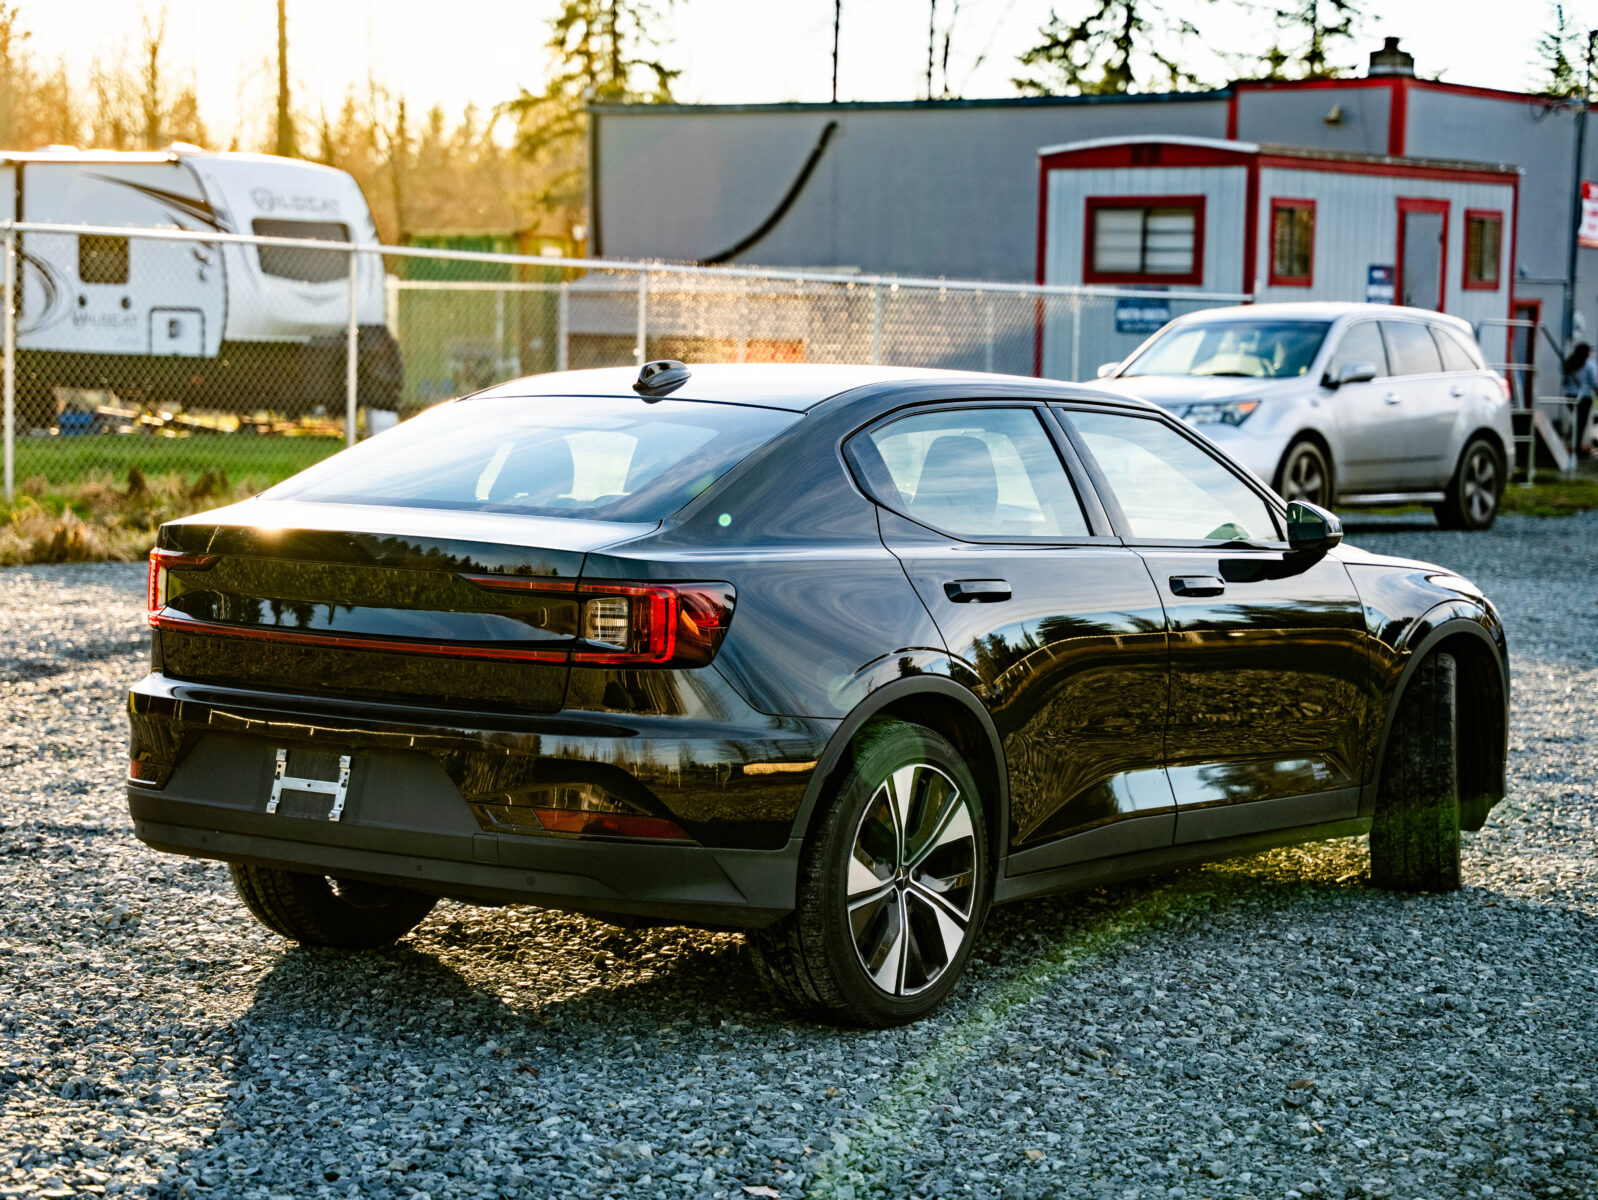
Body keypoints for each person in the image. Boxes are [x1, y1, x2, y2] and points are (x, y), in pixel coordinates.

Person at [1561, 342, 1596, 455]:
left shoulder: (1569, 363)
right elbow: (1594, 382)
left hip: (1570, 396)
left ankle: (1575, 445)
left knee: (1576, 421)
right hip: (1584, 397)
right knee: (1581, 423)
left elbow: (1565, 381)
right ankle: (1577, 447)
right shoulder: (1589, 364)